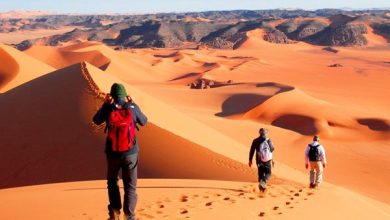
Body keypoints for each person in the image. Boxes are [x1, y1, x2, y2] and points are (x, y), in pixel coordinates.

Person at [93, 83, 147, 220]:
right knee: (130, 186)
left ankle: (115, 213)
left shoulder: (109, 108)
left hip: (112, 153)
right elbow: (144, 121)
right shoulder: (132, 107)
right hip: (131, 153)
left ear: (112, 95)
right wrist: (133, 104)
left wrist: (106, 104)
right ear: (124, 95)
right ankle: (129, 216)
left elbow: (96, 120)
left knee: (112, 182)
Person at [248, 128, 274, 192]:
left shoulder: (255, 140)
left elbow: (252, 151)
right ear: (266, 133)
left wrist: (250, 160)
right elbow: (272, 149)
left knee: (260, 174)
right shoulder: (268, 140)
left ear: (259, 132)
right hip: (267, 160)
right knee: (268, 173)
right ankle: (264, 182)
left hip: (259, 160)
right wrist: (273, 160)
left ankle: (261, 189)